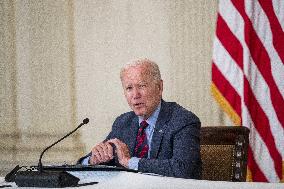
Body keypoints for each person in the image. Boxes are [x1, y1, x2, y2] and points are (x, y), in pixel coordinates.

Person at [78, 58, 202, 179]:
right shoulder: (123, 122)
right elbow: (82, 163)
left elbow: (184, 169)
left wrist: (130, 162)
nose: (135, 95)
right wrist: (92, 160)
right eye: (129, 88)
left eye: (142, 86)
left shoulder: (183, 120)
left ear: (159, 87)